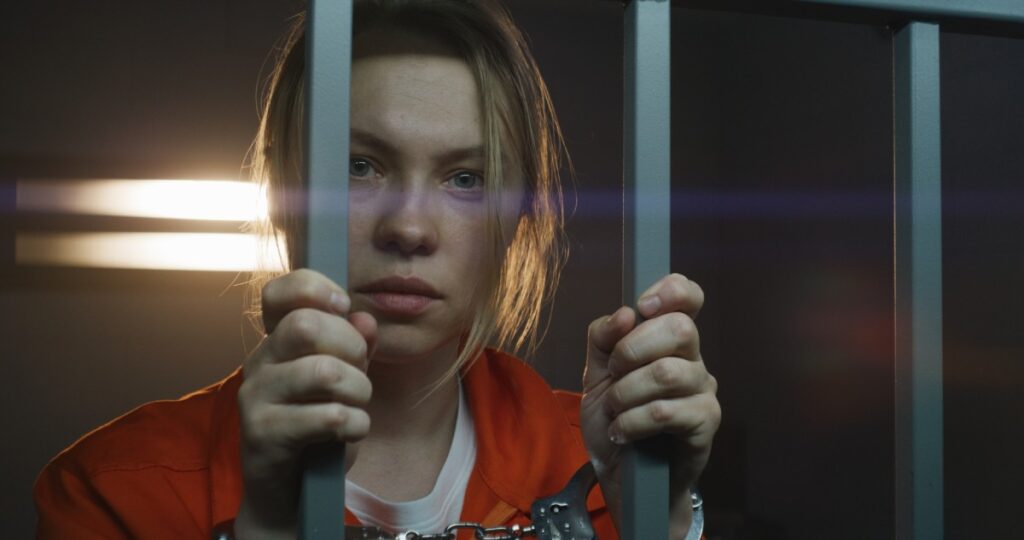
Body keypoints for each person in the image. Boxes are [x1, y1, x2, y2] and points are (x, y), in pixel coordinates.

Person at [34, 1, 720, 538]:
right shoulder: (115, 490)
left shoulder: (604, 463)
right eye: (359, 164)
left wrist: (655, 522)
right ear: (281, 189)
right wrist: (269, 528)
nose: (408, 228)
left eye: (464, 178)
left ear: (518, 220)